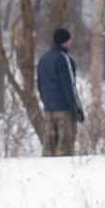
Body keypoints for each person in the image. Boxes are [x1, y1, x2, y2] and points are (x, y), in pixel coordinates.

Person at [35, 27, 83, 157]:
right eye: (69, 40)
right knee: (64, 149)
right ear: (65, 42)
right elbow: (69, 86)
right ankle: (63, 175)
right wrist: (76, 108)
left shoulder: (43, 60)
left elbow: (39, 84)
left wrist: (46, 102)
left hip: (48, 109)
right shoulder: (64, 59)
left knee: (48, 149)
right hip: (64, 111)